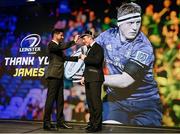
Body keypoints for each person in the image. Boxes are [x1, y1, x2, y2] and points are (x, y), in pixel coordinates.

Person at [95, 2, 162, 126]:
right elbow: (88, 50)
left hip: (145, 104)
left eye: (138, 22)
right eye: (130, 23)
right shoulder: (107, 36)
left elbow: (124, 81)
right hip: (116, 101)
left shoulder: (143, 46)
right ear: (119, 23)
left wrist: (93, 77)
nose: (135, 27)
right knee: (110, 130)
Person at [43, 28, 80, 130]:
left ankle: (60, 122)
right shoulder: (52, 45)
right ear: (55, 35)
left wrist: (78, 57)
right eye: (61, 35)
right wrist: (73, 42)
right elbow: (62, 47)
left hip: (59, 76)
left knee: (60, 100)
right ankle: (46, 123)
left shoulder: (58, 47)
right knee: (50, 100)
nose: (63, 37)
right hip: (53, 75)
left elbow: (64, 58)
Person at [79, 31, 104, 132]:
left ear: (90, 38)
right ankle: (92, 123)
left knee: (95, 102)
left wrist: (85, 58)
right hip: (89, 78)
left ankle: (97, 125)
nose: (83, 41)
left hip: (96, 78)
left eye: (84, 39)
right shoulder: (88, 49)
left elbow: (97, 61)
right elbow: (88, 66)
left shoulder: (98, 47)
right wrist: (84, 76)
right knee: (90, 103)